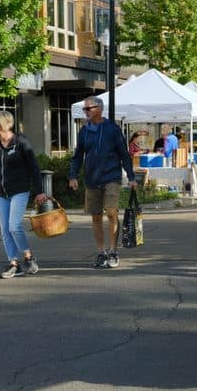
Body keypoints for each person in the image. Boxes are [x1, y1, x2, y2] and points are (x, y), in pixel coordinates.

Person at [0, 110, 47, 279]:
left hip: (20, 190)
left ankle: (28, 256)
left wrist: (39, 191)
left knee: (14, 226)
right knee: (5, 231)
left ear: (7, 124)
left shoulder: (20, 142)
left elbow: (33, 167)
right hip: (1, 192)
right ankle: (14, 264)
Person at [69, 97, 137, 269]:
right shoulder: (84, 131)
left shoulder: (112, 129)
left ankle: (113, 251)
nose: (85, 112)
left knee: (111, 211)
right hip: (92, 179)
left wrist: (131, 176)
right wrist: (73, 176)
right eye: (84, 109)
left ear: (99, 109)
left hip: (111, 177)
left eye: (88, 109)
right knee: (96, 217)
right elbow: (78, 156)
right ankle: (101, 252)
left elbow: (124, 154)